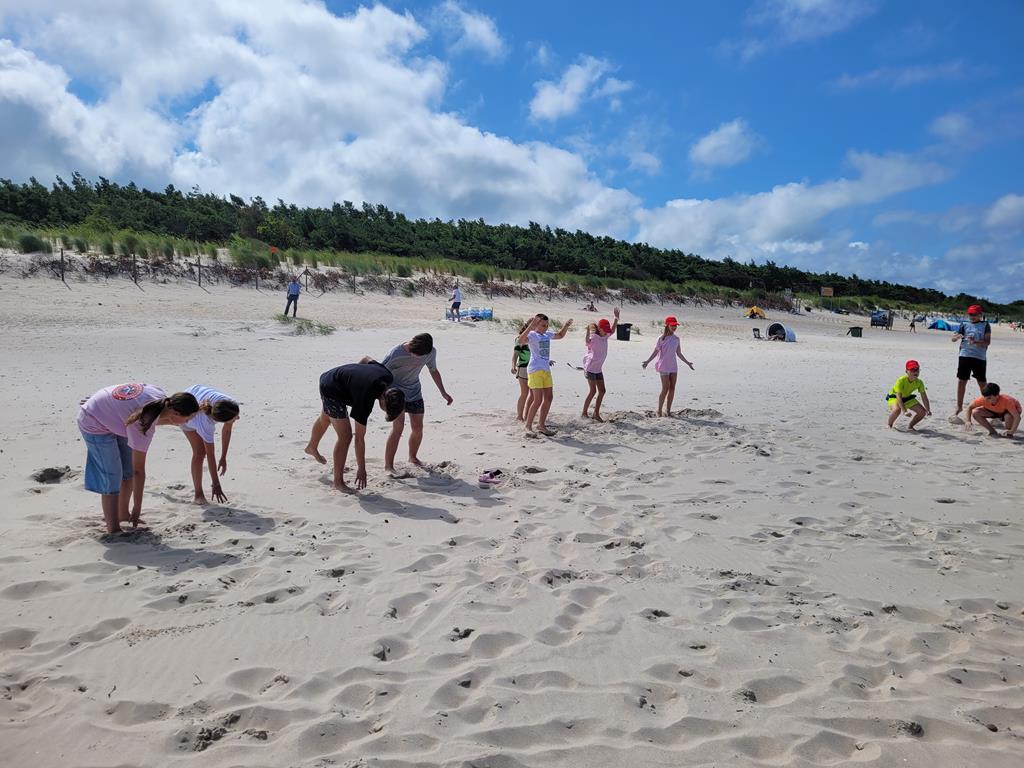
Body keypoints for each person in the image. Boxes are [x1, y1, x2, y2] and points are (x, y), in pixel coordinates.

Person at [77, 384, 199, 533]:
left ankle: (123, 514)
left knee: (127, 472)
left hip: (113, 414)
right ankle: (113, 529)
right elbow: (139, 471)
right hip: (93, 421)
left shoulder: (161, 399)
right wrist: (137, 507)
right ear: (175, 412)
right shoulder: (143, 424)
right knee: (112, 476)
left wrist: (102, 403)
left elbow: (135, 406)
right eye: (188, 418)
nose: (188, 422)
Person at [304, 362, 406, 491]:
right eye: (386, 410)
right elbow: (359, 439)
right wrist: (361, 469)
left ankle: (311, 447)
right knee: (345, 436)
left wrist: (355, 379)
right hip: (331, 389)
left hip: (334, 377)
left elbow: (366, 359)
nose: (385, 412)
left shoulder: (387, 376)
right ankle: (338, 483)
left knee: (326, 417)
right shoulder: (365, 400)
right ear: (383, 401)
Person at [374, 333, 453, 475]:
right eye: (415, 354)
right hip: (395, 394)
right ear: (411, 346)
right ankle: (388, 466)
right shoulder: (396, 353)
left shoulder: (430, 352)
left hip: (414, 392)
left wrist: (443, 392)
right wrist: (382, 398)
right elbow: (379, 373)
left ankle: (413, 457)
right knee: (398, 428)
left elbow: (433, 370)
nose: (417, 357)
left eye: (420, 355)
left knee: (418, 427)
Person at [181, 385, 241, 505]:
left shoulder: (230, 405)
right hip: (184, 410)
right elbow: (210, 454)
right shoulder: (205, 423)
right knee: (199, 452)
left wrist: (223, 457)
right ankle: (198, 494)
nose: (238, 418)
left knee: (202, 451)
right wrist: (216, 483)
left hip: (195, 392)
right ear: (220, 420)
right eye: (234, 418)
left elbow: (227, 430)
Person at [519, 313, 574, 436]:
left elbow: (560, 335)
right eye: (543, 325)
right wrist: (531, 326)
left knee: (549, 398)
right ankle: (528, 426)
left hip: (546, 370)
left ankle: (541, 425)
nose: (545, 327)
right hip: (535, 370)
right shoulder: (532, 335)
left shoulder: (546, 334)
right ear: (536, 325)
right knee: (537, 400)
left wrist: (566, 325)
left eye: (547, 325)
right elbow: (520, 341)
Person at [642, 316, 694, 417]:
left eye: (675, 325)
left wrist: (688, 363)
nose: (674, 327)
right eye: (672, 325)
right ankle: (659, 410)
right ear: (667, 325)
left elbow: (679, 353)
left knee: (672, 388)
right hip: (663, 365)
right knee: (665, 388)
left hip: (673, 366)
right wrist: (648, 361)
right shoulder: (661, 338)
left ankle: (668, 410)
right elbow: (656, 351)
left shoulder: (676, 339)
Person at [951, 304, 991, 421]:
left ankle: (989, 407)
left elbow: (987, 342)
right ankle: (959, 407)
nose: (972, 316)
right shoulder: (964, 324)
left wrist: (975, 342)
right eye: (970, 314)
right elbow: (954, 338)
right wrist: (956, 337)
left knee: (982, 383)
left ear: (980, 315)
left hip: (979, 357)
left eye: (974, 314)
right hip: (964, 355)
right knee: (962, 381)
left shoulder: (985, 325)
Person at [582, 308, 620, 422]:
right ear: (599, 328)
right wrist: (587, 331)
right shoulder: (594, 337)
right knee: (593, 391)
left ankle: (596, 413)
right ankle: (584, 412)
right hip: (590, 368)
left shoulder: (605, 336)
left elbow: (613, 329)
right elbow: (587, 342)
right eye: (604, 330)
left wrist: (616, 318)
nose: (607, 332)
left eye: (607, 330)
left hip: (598, 369)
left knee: (602, 391)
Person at [886, 359, 931, 431]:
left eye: (917, 369)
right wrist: (904, 411)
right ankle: (889, 424)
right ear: (906, 371)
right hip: (894, 397)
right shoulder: (901, 380)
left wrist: (928, 410)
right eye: (912, 369)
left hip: (907, 398)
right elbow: (898, 397)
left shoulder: (919, 382)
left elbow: (924, 397)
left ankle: (910, 426)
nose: (915, 371)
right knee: (897, 410)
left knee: (922, 412)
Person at [512, 323, 533, 421]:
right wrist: (513, 366)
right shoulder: (520, 339)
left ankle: (527, 415)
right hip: (523, 368)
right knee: (525, 393)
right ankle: (519, 416)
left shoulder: (536, 338)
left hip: (535, 369)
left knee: (533, 394)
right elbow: (515, 354)